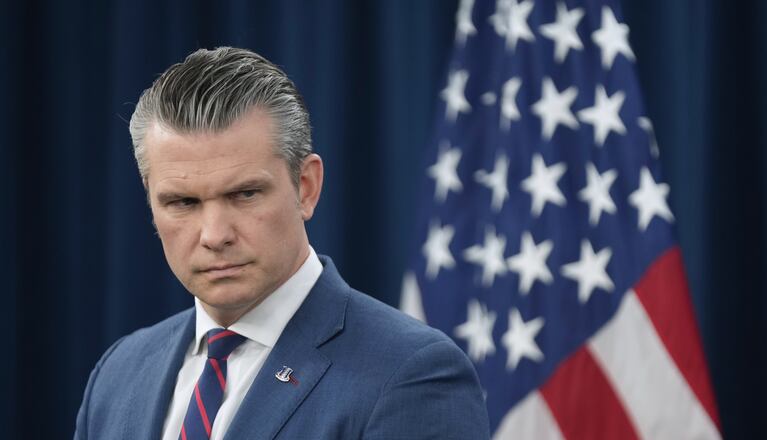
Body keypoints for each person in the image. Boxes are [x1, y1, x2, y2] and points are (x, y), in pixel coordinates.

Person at [74, 47, 489, 440]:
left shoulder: (412, 374)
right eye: (183, 202)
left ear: (305, 187)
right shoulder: (119, 373)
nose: (215, 235)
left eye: (244, 194)